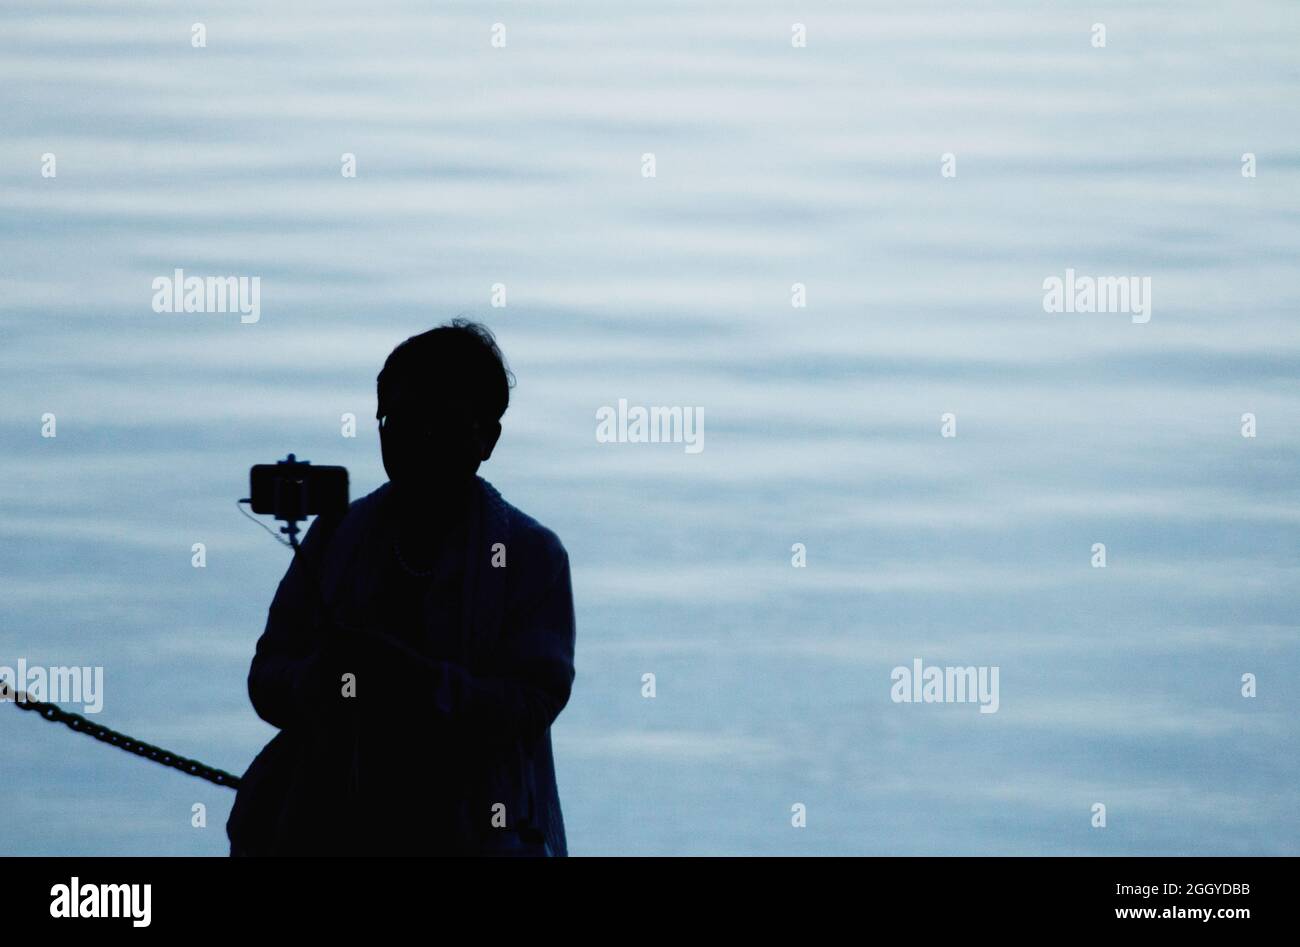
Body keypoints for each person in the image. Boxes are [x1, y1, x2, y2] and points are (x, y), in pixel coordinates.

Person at [226, 320, 576, 856]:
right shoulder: (337, 536)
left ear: (486, 437)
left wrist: (410, 681)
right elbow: (267, 676)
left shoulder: (531, 556)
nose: (415, 440)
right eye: (398, 421)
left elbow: (531, 703)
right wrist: (318, 682)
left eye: (438, 425)